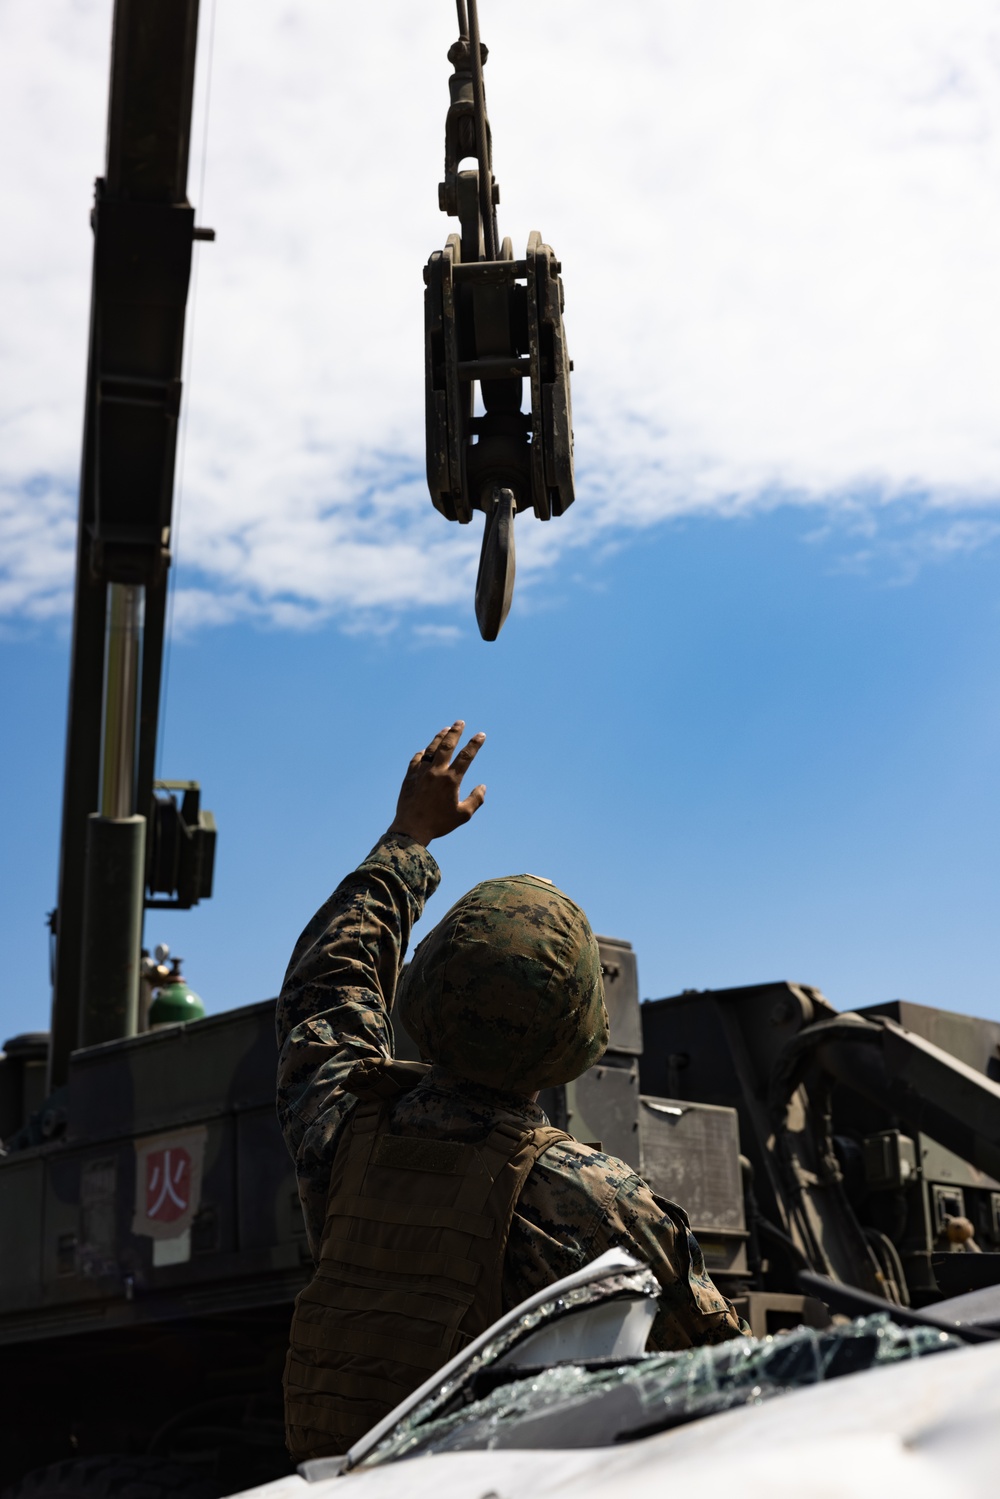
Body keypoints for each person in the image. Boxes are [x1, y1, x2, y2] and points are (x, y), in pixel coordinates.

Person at [277, 720, 747, 1460]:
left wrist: (410, 836)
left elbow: (327, 980)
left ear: (427, 985)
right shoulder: (592, 1198)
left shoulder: (338, 1123)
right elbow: (731, 1374)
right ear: (574, 1041)